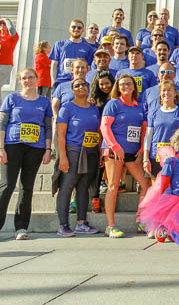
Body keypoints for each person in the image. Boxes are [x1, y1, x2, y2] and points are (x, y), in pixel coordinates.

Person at [0, 68, 52, 241]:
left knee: (27, 187)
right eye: (24, 78)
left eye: (31, 77)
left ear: (37, 79)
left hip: (36, 147)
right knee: (7, 185)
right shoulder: (12, 98)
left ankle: (21, 227)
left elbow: (48, 127)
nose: (28, 81)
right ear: (20, 81)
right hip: (12, 145)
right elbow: (2, 124)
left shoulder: (44, 102)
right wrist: (0, 147)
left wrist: (48, 149)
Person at [100, 74, 151, 238]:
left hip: (132, 153)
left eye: (129, 84)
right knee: (113, 186)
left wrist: (142, 149)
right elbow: (105, 127)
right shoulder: (113, 104)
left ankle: (141, 219)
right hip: (115, 152)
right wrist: (115, 147)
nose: (126, 86)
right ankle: (111, 225)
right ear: (118, 87)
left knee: (145, 184)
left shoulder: (139, 107)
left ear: (134, 86)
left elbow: (143, 131)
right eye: (122, 84)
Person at [53, 78, 101, 237]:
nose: (81, 87)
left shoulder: (94, 109)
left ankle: (81, 223)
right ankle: (63, 225)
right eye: (77, 85)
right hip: (73, 152)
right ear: (72, 89)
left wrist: (99, 152)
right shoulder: (66, 108)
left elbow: (98, 133)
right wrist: (63, 157)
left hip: (91, 152)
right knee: (67, 187)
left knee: (83, 187)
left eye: (84, 85)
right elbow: (60, 135)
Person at [143, 80, 179, 180]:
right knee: (156, 188)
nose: (166, 93)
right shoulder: (154, 113)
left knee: (173, 187)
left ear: (175, 93)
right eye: (163, 90)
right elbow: (148, 136)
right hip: (155, 155)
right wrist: (145, 158)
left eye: (169, 90)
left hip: (176, 156)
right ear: (160, 94)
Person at [88, 70, 115, 213]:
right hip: (97, 136)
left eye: (107, 83)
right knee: (98, 170)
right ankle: (95, 200)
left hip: (113, 137)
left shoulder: (117, 98)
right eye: (102, 84)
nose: (105, 86)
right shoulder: (94, 101)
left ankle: (110, 201)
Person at [50, 20, 95, 88]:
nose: (76, 29)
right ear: (69, 29)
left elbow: (88, 67)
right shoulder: (59, 44)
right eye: (73, 27)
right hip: (61, 81)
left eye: (79, 28)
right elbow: (54, 65)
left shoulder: (88, 48)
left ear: (83, 30)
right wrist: (53, 81)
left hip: (79, 83)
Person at [0, 18, 19, 115]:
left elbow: (12, 30)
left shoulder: (11, 37)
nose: (2, 25)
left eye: (3, 24)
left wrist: (6, 20)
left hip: (4, 65)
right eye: (0, 24)